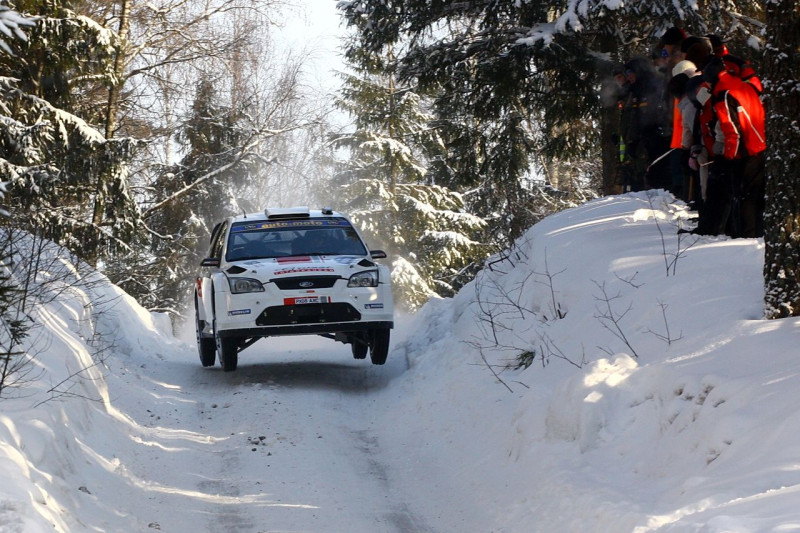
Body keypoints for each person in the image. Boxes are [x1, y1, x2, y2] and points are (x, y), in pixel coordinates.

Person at [701, 57, 766, 238]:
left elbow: (732, 130)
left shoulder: (724, 94)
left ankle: (745, 235)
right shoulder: (743, 85)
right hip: (760, 145)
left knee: (744, 197)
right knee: (756, 196)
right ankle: (756, 233)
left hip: (745, 151)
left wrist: (727, 156)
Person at [619, 56, 669, 192]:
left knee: (656, 174)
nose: (628, 77)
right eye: (627, 74)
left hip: (656, 138)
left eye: (630, 73)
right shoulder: (634, 90)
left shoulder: (652, 86)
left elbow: (660, 113)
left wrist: (654, 132)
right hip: (641, 140)